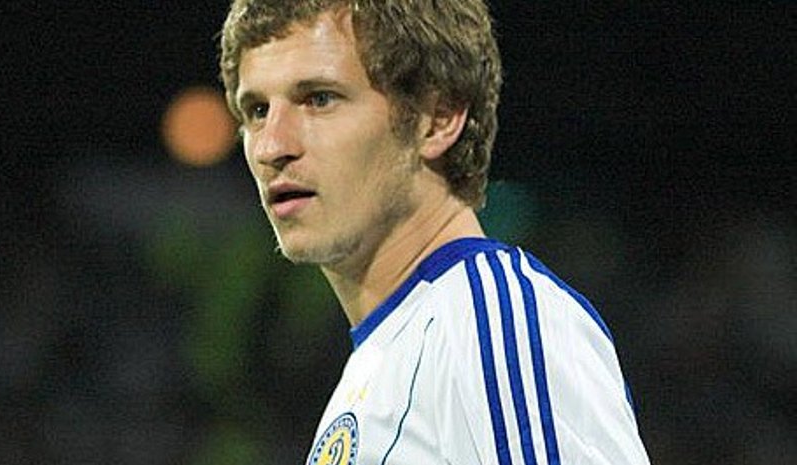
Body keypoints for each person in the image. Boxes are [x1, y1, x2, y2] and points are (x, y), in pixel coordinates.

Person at [219, 0, 650, 463]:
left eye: (320, 99)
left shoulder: (492, 327)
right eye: (257, 110)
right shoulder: (388, 357)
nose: (271, 146)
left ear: (437, 119)